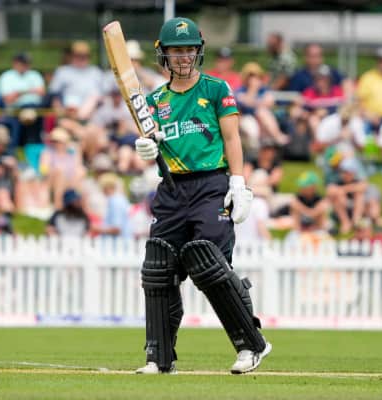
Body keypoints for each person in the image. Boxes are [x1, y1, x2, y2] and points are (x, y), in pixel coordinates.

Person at [134, 17, 271, 375]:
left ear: (198, 52)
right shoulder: (155, 100)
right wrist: (147, 148)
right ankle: (159, 356)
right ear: (164, 55)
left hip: (211, 184)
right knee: (159, 268)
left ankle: (251, 345)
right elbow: (152, 140)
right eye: (176, 51)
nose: (183, 57)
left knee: (209, 263)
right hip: (171, 187)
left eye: (189, 50)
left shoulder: (215, 88)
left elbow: (232, 138)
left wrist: (238, 183)